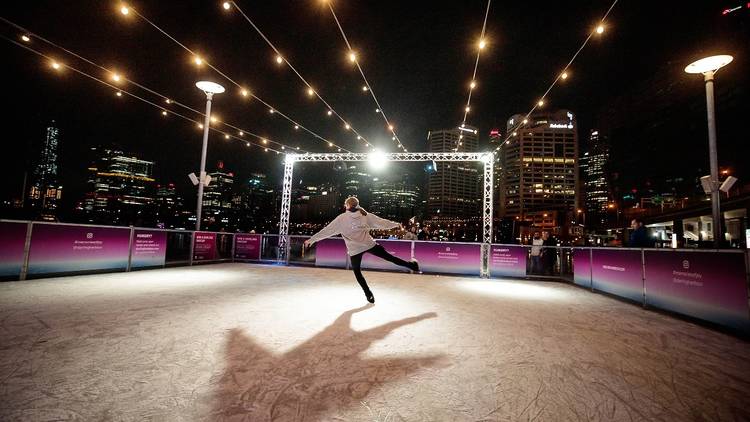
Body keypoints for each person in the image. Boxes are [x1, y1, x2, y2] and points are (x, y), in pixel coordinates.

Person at [304, 197, 420, 303]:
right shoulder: (365, 215)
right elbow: (382, 223)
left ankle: (368, 294)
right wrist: (396, 224)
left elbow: (327, 231)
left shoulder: (341, 219)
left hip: (355, 250)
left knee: (358, 273)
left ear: (348, 206)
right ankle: (412, 266)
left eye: (345, 204)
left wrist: (311, 240)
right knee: (390, 258)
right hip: (369, 245)